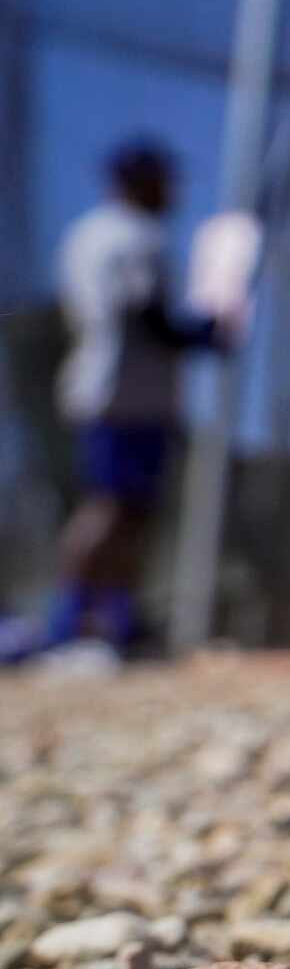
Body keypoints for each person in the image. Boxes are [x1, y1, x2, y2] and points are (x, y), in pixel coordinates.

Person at [0, 141, 231, 671]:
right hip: (121, 392)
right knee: (110, 506)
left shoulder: (90, 233)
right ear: (140, 182)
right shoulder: (131, 235)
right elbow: (147, 317)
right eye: (163, 182)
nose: (171, 193)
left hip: (125, 391)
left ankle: (113, 623)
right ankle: (68, 624)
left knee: (131, 510)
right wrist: (204, 333)